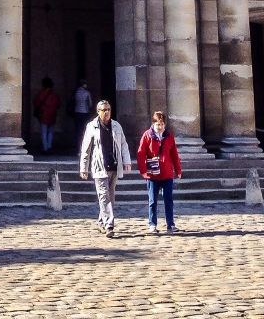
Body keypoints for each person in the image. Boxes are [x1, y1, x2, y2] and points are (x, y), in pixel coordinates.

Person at [79, 99, 132, 238]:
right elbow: (86, 148)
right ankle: (109, 225)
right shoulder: (91, 126)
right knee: (104, 196)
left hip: (114, 166)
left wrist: (127, 161)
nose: (107, 112)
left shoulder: (116, 126)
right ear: (98, 111)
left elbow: (123, 145)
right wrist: (83, 167)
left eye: (108, 109)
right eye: (104, 110)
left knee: (110, 196)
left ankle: (102, 222)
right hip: (99, 166)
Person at [137, 110, 182, 234]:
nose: (160, 127)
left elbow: (174, 154)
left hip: (167, 173)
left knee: (168, 200)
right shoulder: (147, 135)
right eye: (158, 124)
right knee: (152, 201)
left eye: (162, 124)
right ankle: (152, 224)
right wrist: (143, 171)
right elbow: (141, 154)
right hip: (153, 174)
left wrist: (178, 169)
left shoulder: (169, 136)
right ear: (153, 124)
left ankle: (170, 224)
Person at [33, 77, 61, 153]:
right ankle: (49, 146)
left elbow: (36, 103)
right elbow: (58, 104)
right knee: (51, 132)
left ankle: (45, 148)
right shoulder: (54, 95)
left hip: (43, 115)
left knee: (44, 132)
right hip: (52, 115)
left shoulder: (41, 93)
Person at [72, 79, 93, 152]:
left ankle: (78, 148)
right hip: (85, 113)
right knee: (85, 130)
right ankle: (85, 147)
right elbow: (90, 104)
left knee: (78, 131)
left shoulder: (76, 92)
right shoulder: (87, 93)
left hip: (77, 112)